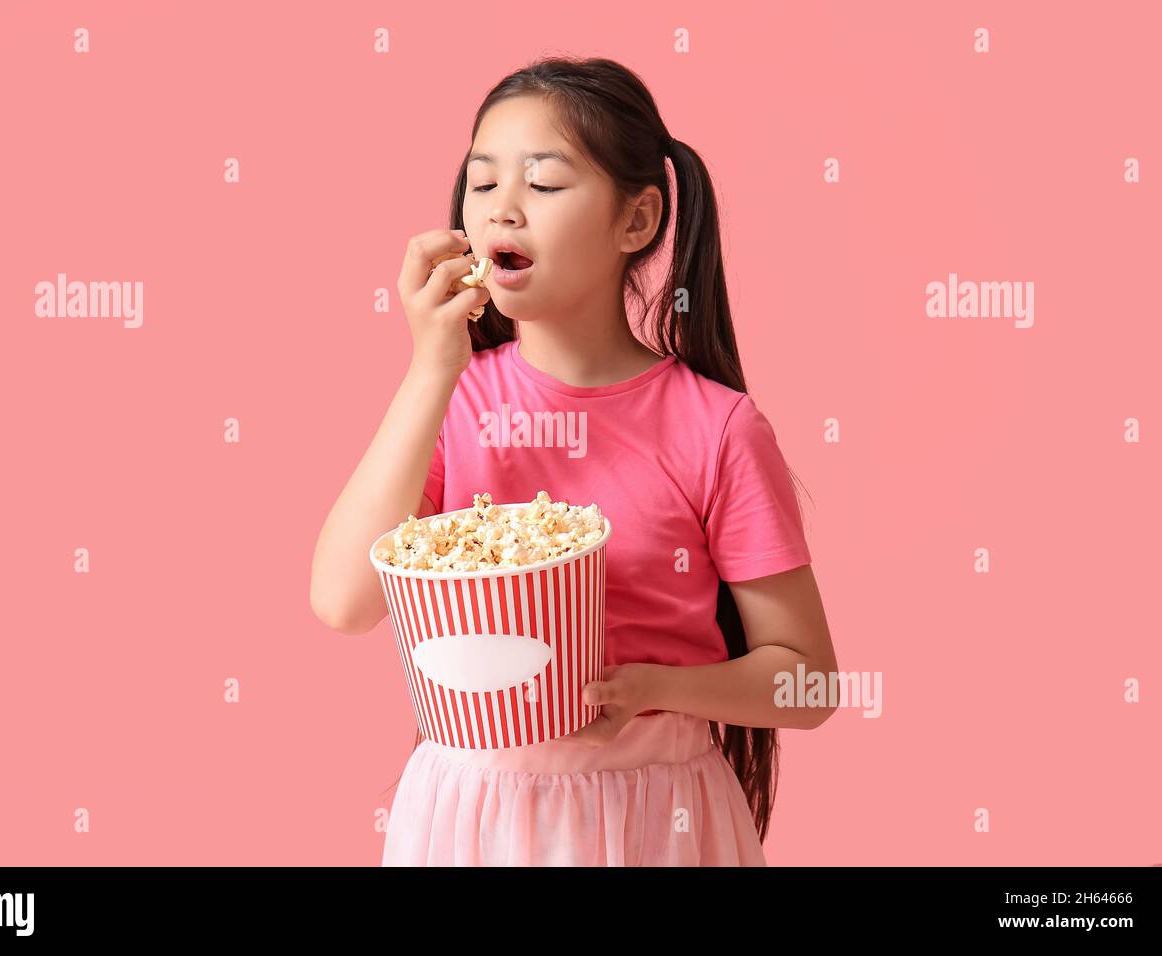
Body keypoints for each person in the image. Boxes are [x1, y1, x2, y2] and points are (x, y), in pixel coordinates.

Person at [311, 56, 838, 866]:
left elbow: (810, 683)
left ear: (638, 220)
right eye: (482, 184)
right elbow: (343, 601)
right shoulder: (450, 401)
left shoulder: (716, 428)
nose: (502, 208)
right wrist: (430, 368)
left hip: (659, 815)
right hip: (472, 816)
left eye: (544, 183)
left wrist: (653, 688)